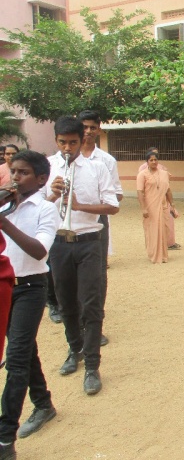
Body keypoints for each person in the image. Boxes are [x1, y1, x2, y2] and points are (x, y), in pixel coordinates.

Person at [45, 116, 119, 396]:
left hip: (89, 242)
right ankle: (74, 349)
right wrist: (51, 196)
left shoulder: (96, 167)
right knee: (65, 303)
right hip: (58, 243)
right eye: (62, 142)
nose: (67, 148)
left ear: (82, 140)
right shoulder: (47, 168)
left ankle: (91, 366)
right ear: (56, 140)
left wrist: (79, 206)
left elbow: (112, 206)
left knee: (90, 304)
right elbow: (35, 207)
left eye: (73, 142)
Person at [0, 151, 59, 458]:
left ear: (41, 179)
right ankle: (43, 403)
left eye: (23, 173)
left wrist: (4, 223)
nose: (15, 177)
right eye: (13, 171)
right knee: (24, 351)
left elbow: (39, 251)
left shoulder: (46, 209)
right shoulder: (5, 204)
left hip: (30, 288)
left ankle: (4, 438)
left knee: (16, 360)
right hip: (4, 287)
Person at [79, 110, 123, 347]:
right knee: (70, 275)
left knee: (97, 276)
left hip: (98, 222)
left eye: (92, 127)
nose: (88, 131)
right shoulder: (66, 157)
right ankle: (77, 326)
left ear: (99, 129)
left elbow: (117, 196)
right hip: (69, 224)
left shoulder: (107, 161)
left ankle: (96, 325)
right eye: (84, 127)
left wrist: (94, 200)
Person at [136, 151, 178, 264]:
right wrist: (143, 208)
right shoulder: (142, 175)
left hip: (163, 206)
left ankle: (163, 255)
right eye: (151, 160)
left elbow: (168, 190)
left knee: (163, 230)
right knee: (152, 230)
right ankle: (153, 255)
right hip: (150, 207)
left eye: (155, 160)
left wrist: (172, 205)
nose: (154, 162)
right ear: (147, 162)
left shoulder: (164, 174)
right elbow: (140, 192)